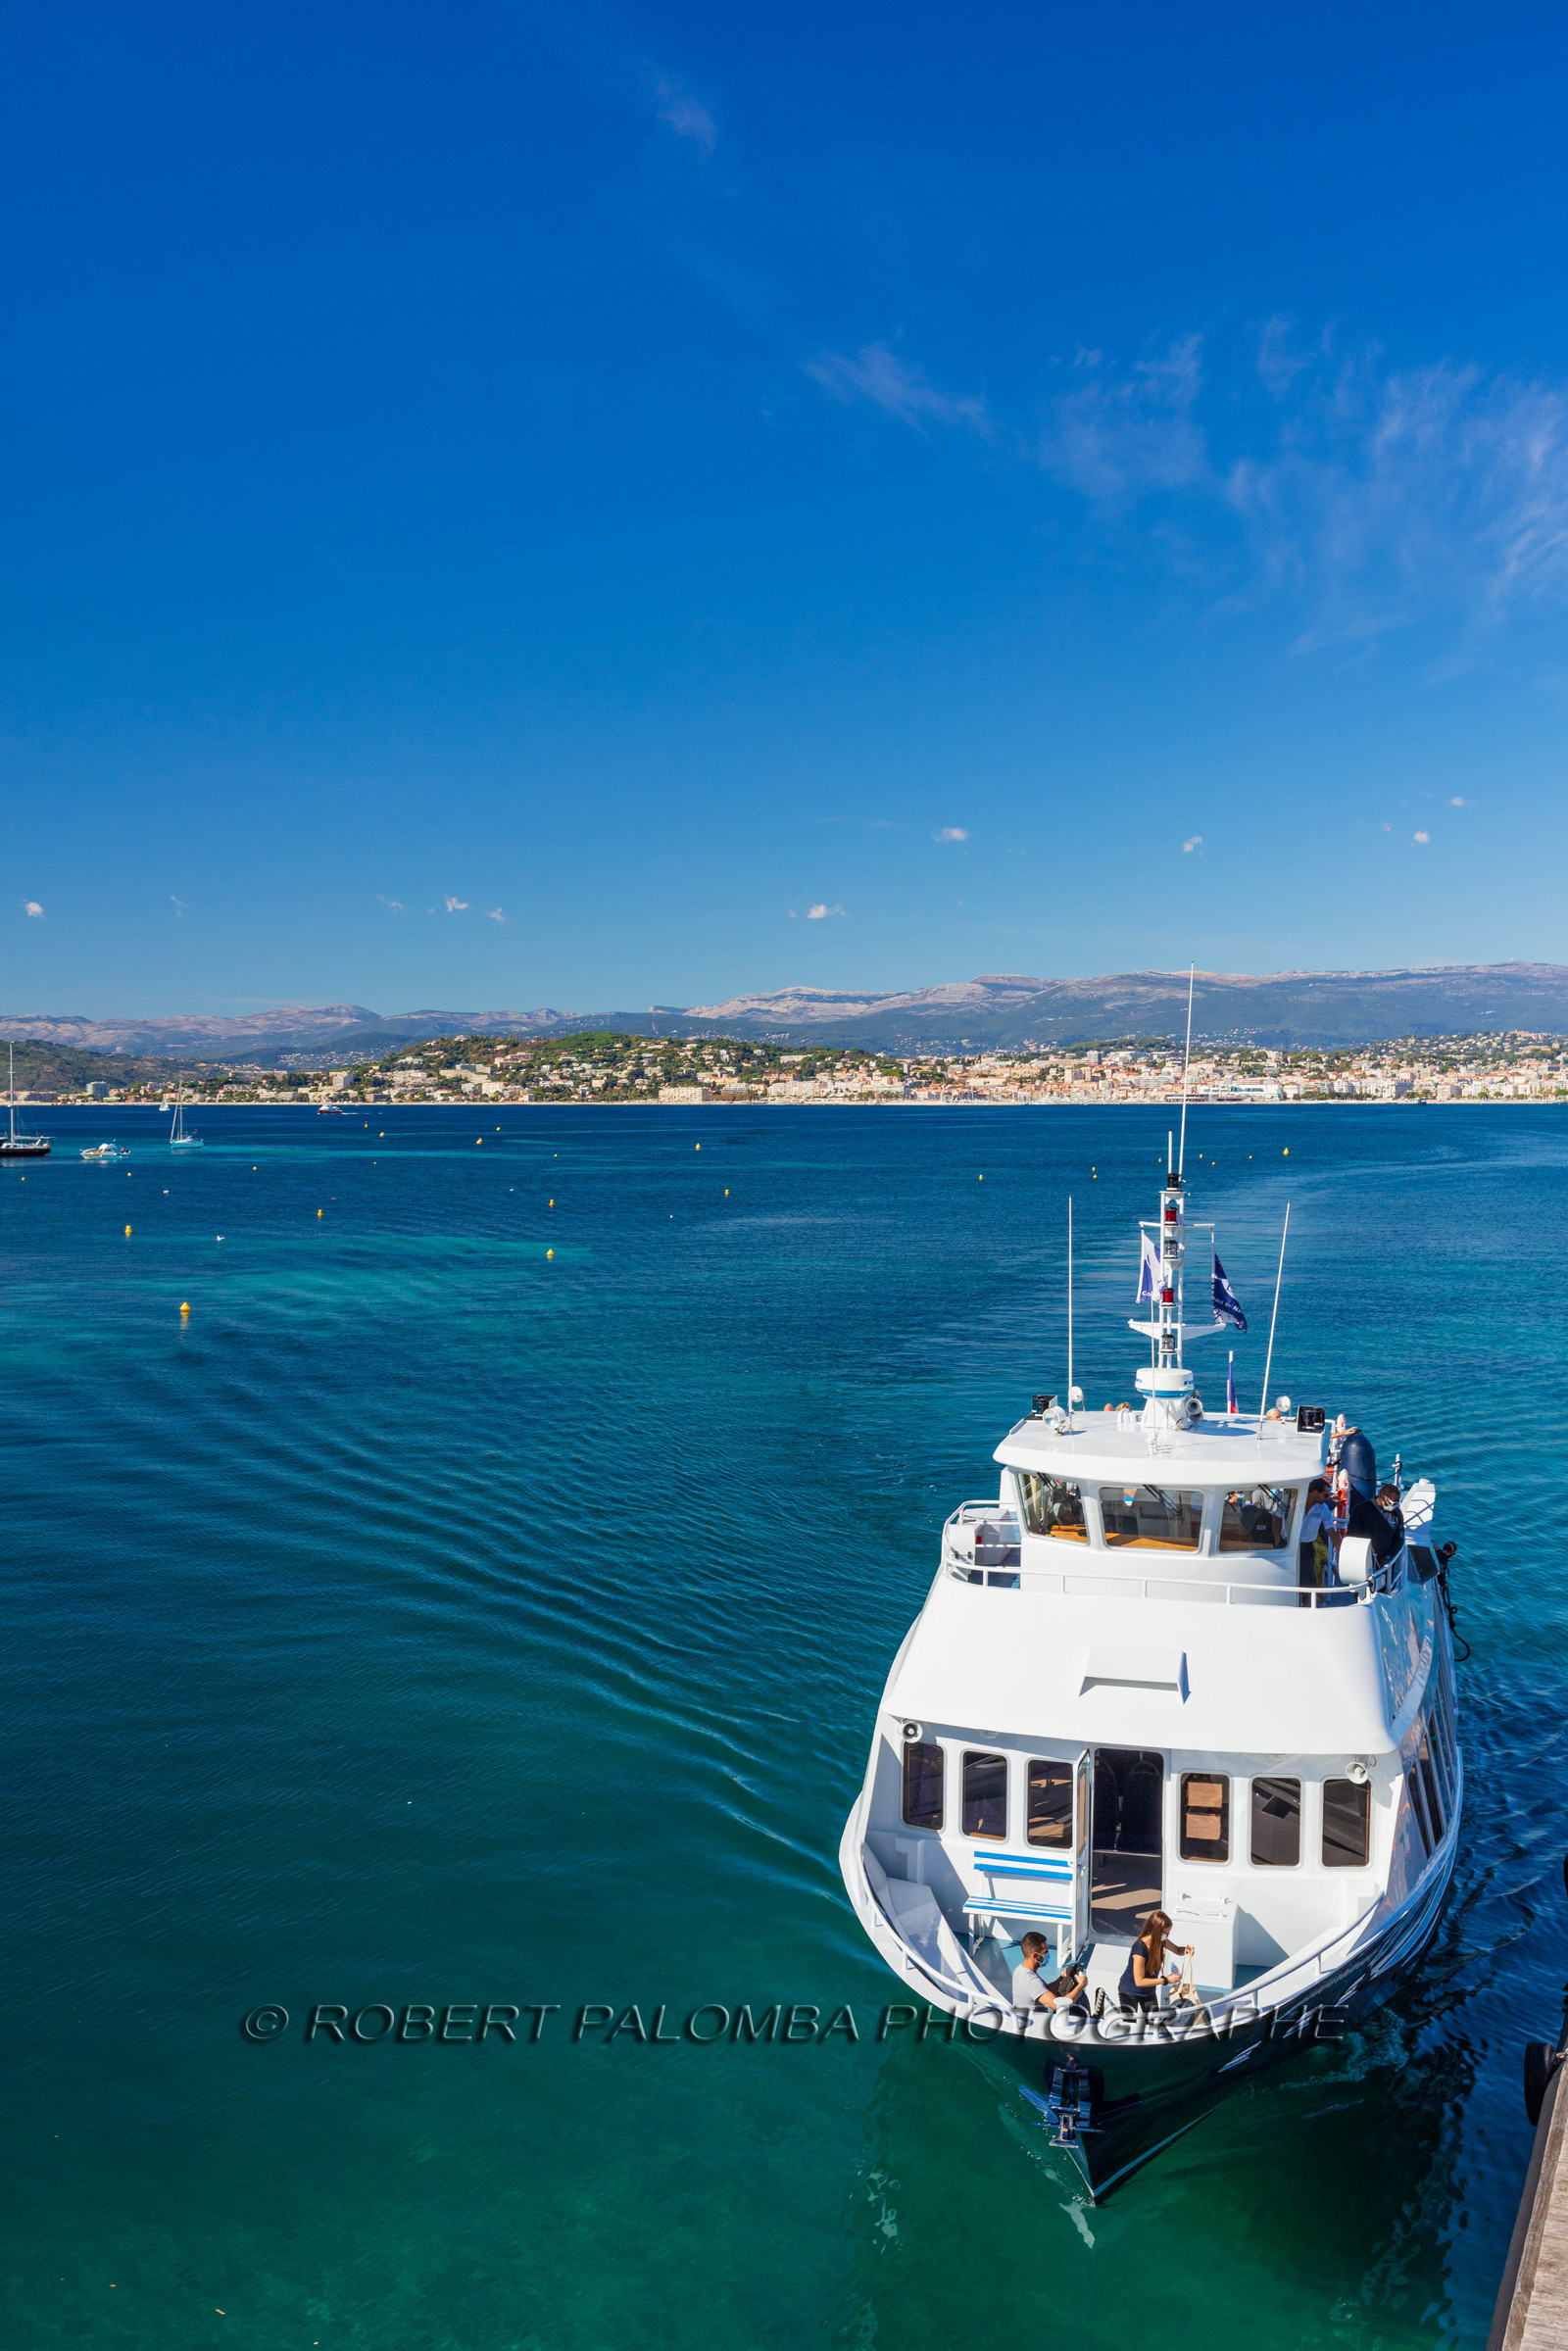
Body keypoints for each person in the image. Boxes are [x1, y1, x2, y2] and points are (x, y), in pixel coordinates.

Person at [1118, 1910, 1193, 2016]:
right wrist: (1166, 1980)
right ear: (1155, 1931)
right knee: (1130, 2024)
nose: (1167, 1935)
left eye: (1168, 1933)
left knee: (1153, 2021)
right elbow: (1139, 1981)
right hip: (1130, 1992)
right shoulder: (1139, 1950)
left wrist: (1186, 1950)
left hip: (1148, 1992)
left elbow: (1177, 1950)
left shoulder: (1161, 1940)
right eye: (1165, 1933)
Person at [1011, 1932, 1087, 2019]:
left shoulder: (1020, 1970)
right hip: (1034, 2025)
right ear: (1035, 1956)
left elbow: (1043, 1989)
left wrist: (1061, 1979)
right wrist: (1081, 1985)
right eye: (1045, 1951)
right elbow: (1060, 2007)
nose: (1048, 1954)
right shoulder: (1032, 1981)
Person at [1299, 1477, 1336, 1600]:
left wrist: (1343, 1550)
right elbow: (1277, 1517)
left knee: (1309, 1579)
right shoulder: (1295, 1501)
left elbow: (1331, 1531)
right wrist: (1277, 1537)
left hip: (1307, 1546)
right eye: (1325, 1495)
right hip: (1287, 1544)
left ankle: (1307, 1606)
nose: (1327, 1499)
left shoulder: (1323, 1509)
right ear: (1315, 1493)